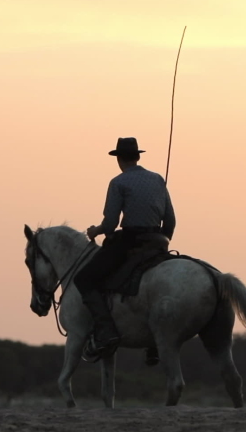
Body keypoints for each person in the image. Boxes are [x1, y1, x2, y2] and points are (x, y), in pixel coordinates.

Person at [73, 137, 176, 360]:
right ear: (138, 157)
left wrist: (95, 232)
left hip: (130, 241)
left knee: (84, 279)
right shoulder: (158, 179)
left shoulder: (118, 182)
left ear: (119, 159)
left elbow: (110, 223)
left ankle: (106, 332)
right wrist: (162, 243)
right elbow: (170, 221)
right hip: (158, 242)